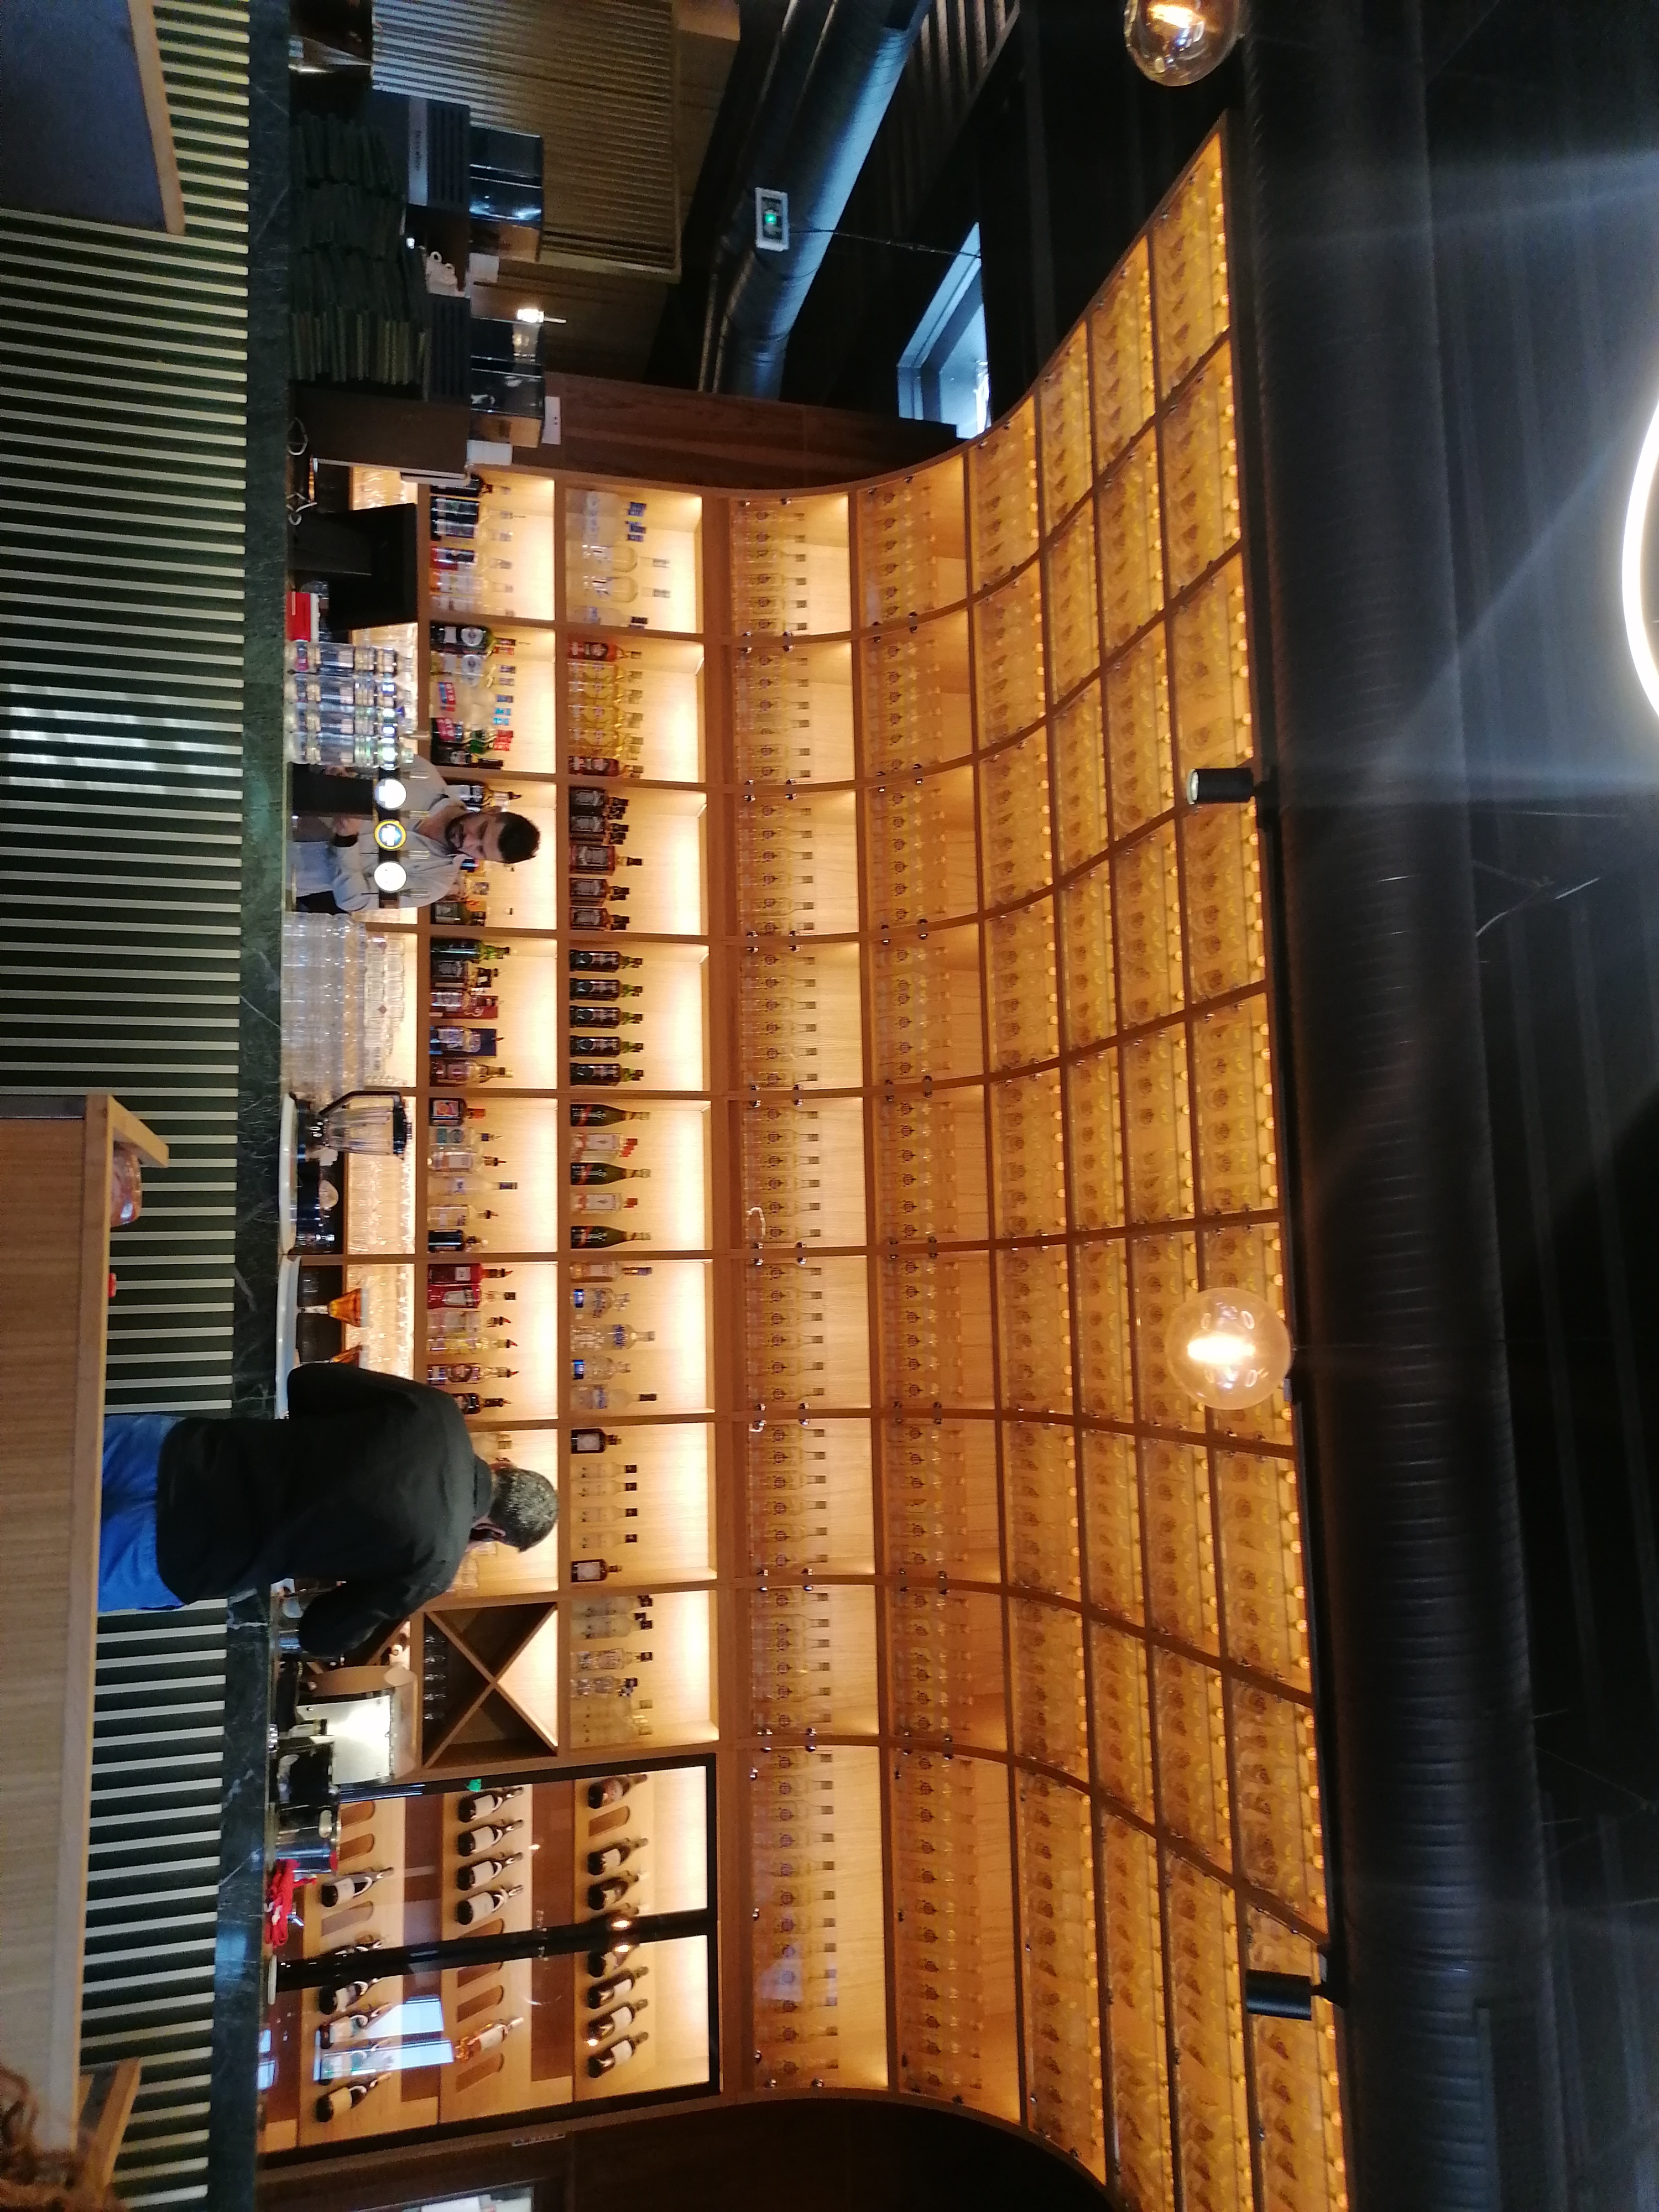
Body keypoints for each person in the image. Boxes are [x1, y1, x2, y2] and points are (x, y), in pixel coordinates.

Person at [98, 1364, 557, 1656]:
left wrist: (317, 1449)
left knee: (54, 1453)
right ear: (496, 1534)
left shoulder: (437, 1412)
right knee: (55, 1577)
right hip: (181, 1550)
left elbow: (306, 1382)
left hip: (175, 1451)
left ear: (504, 1466)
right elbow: (323, 1636)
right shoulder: (433, 1565)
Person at [292, 748, 541, 914]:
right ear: (491, 810)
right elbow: (344, 748)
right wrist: (336, 771)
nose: (469, 841)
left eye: (480, 851)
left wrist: (347, 842)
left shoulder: (435, 882)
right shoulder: (423, 773)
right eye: (482, 830)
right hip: (285, 797)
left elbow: (353, 900)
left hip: (287, 869)